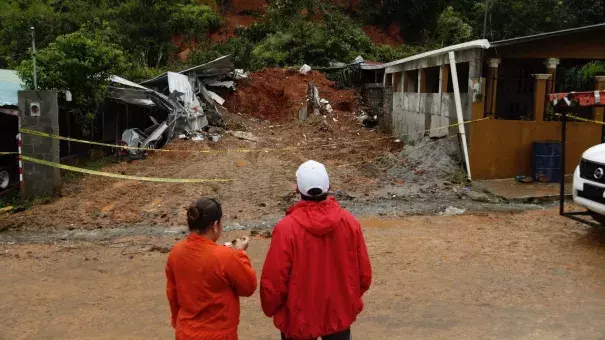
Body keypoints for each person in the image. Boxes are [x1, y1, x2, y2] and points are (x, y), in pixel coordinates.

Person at [260, 160, 372, 340]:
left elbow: (274, 280)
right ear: (329, 186)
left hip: (298, 317)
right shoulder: (350, 223)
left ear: (297, 189)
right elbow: (364, 274)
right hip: (338, 313)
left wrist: (273, 308)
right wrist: (347, 299)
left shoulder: (286, 229)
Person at [165, 198, 257, 340]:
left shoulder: (175, 252)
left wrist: (178, 323)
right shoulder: (224, 256)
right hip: (218, 334)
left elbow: (172, 294)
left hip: (186, 331)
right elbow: (248, 286)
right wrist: (240, 254)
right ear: (215, 225)